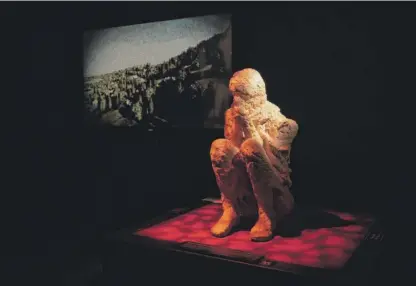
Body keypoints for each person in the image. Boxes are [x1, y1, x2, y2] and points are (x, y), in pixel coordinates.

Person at [210, 68, 298, 242]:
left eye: (241, 94)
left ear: (255, 94)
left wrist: (249, 126)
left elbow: (274, 162)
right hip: (243, 186)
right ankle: (230, 209)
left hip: (276, 195)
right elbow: (232, 150)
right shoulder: (231, 114)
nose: (236, 100)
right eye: (234, 94)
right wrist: (238, 124)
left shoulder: (285, 124)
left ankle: (267, 214)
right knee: (219, 146)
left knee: (251, 146)